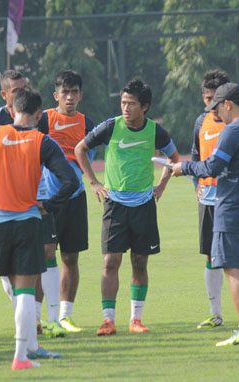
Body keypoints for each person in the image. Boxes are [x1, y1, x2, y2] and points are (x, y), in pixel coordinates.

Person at [0, 87, 78, 371]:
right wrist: (48, 204)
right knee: (24, 292)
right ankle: (21, 356)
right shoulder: (43, 142)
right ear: (38, 114)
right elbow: (70, 181)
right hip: (28, 222)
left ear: (11, 111)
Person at [75, 78, 179, 335]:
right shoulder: (111, 127)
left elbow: (174, 159)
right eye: (123, 103)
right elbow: (80, 149)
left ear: (144, 106)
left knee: (140, 262)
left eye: (131, 104)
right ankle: (108, 320)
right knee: (110, 262)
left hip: (144, 205)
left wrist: (161, 186)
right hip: (115, 205)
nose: (125, 108)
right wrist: (94, 183)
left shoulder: (156, 131)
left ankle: (136, 320)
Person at [172, 83, 239, 346]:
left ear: (227, 104)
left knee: (233, 270)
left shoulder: (232, 131)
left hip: (230, 207)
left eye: (217, 107)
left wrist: (184, 167)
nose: (216, 114)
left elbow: (213, 166)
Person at [35, 69, 96, 334]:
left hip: (75, 197)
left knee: (71, 257)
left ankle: (64, 316)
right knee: (45, 255)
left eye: (74, 92)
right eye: (64, 92)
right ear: (55, 94)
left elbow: (88, 158)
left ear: (80, 95)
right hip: (46, 199)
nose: (69, 97)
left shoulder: (88, 124)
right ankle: (40, 317)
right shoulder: (45, 119)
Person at [191, 70, 229, 329]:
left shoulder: (235, 122)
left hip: (231, 199)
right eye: (207, 98)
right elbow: (195, 156)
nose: (211, 104)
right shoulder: (200, 122)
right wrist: (196, 184)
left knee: (236, 258)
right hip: (207, 200)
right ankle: (215, 313)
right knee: (210, 256)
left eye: (216, 98)